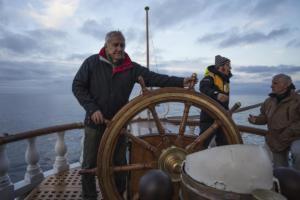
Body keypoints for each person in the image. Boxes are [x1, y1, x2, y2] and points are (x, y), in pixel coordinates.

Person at [72, 30, 196, 200]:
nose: (119, 48)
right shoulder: (92, 63)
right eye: (115, 45)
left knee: (119, 164)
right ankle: (89, 197)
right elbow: (78, 86)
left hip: (119, 125)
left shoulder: (131, 68)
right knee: (88, 165)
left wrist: (182, 82)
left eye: (122, 45)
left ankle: (117, 195)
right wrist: (92, 109)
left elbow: (156, 78)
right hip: (95, 123)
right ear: (106, 46)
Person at [248, 74, 300, 169]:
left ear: (286, 85)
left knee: (298, 152)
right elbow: (265, 117)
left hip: (295, 137)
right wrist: (255, 120)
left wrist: (288, 132)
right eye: (272, 83)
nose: (271, 86)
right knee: (279, 171)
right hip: (276, 140)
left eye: (275, 83)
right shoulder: (269, 101)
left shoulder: (297, 100)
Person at [199, 55, 232, 148]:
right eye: (228, 65)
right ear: (221, 66)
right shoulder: (209, 78)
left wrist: (227, 110)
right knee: (203, 143)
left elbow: (224, 101)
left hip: (222, 116)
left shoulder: (225, 80)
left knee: (224, 142)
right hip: (209, 116)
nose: (230, 68)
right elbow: (203, 88)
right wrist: (216, 94)